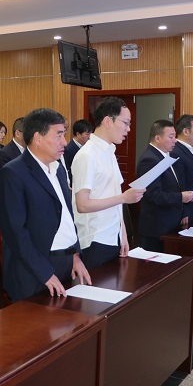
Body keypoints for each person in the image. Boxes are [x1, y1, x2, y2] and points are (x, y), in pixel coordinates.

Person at [0, 108, 91, 301]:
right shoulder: (13, 173)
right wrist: (44, 273)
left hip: (65, 265)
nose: (64, 142)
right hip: (33, 273)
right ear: (38, 138)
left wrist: (75, 255)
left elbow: (67, 217)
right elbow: (15, 233)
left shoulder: (58, 169)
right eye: (59, 135)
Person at [71, 97, 145, 269]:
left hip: (113, 236)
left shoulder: (109, 151)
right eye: (125, 123)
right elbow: (83, 205)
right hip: (95, 239)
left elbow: (114, 195)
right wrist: (124, 198)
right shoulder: (87, 155)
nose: (128, 129)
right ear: (107, 121)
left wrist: (123, 234)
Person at [137, 120, 193, 252]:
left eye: (175, 136)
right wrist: (181, 197)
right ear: (158, 138)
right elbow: (154, 195)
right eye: (171, 137)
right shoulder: (149, 159)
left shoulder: (167, 156)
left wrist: (184, 210)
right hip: (157, 227)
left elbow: (176, 185)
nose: (175, 140)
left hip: (171, 223)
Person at [63, 119, 93, 185]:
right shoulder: (69, 150)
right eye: (87, 134)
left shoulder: (88, 147)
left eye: (91, 133)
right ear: (78, 134)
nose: (90, 137)